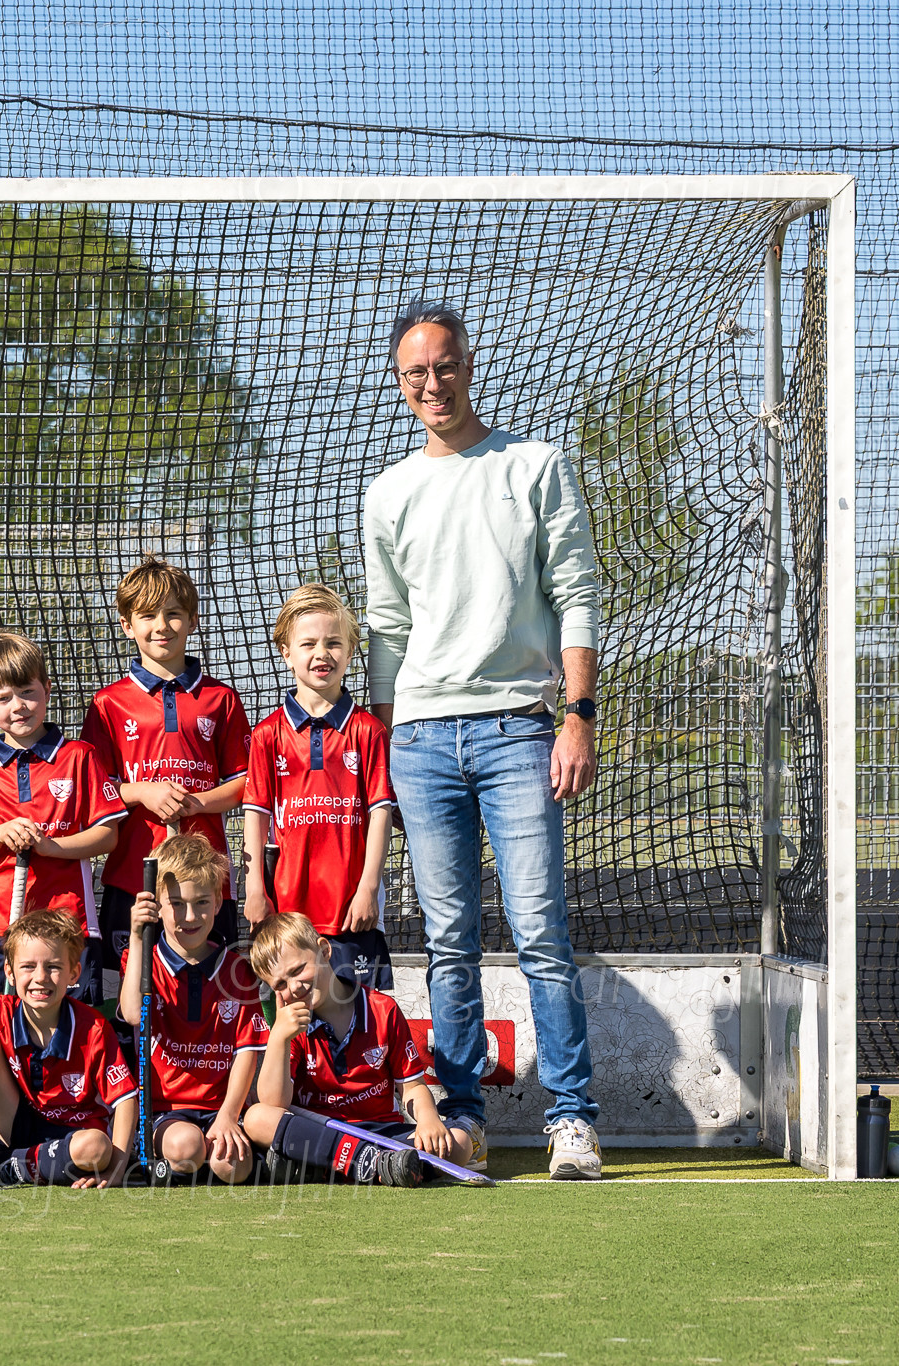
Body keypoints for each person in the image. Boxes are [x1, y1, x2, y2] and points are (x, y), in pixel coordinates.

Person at [362, 300, 605, 1180]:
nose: (432, 383)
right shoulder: (388, 492)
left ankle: (571, 1120)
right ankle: (463, 1118)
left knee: (541, 933)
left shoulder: (534, 465)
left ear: (469, 366)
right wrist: (386, 745)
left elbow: (577, 592)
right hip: (421, 741)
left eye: (445, 365)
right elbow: (387, 628)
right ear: (401, 384)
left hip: (519, 732)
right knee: (449, 943)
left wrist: (578, 713)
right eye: (415, 373)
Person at [81, 556, 252, 1009]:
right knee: (131, 996)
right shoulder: (108, 703)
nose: (162, 626)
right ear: (127, 625)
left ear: (193, 620)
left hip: (205, 878)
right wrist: (142, 792)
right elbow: (94, 790)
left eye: (174, 613)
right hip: (133, 874)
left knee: (209, 995)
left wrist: (197, 803)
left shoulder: (221, 698)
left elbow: (245, 784)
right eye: (147, 615)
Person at [0, 630, 126, 1009]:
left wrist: (49, 846)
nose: (18, 706)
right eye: (3, 698)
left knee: (69, 1028)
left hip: (68, 921)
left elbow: (107, 835)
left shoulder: (79, 756)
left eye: (28, 692)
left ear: (47, 688)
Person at [239, 584, 398, 989]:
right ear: (286, 652)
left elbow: (380, 814)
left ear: (350, 650)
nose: (321, 653)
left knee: (358, 1016)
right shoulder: (267, 733)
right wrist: (254, 888)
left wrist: (369, 887)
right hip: (287, 913)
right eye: (308, 643)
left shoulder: (369, 731)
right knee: (292, 1015)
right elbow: (255, 816)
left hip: (351, 911)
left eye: (334, 643)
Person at [240, 913, 463, 1187]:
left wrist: (428, 1118)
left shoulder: (383, 1010)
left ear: (324, 950)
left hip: (380, 1133)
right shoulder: (288, 1025)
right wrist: (279, 1038)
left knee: (459, 1145)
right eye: (280, 985)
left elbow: (412, 1087)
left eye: (298, 970)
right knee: (256, 1118)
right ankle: (371, 1164)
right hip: (319, 1132)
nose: (295, 987)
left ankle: (329, 1168)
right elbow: (273, 1103)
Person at [0, 911, 138, 1188]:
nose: (40, 977)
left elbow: (125, 1100)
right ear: (9, 972)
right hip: (14, 1124)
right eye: (28, 966)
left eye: (53, 967)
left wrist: (117, 1170)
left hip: (73, 1137)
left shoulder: (93, 1027)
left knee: (96, 1147)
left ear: (74, 973)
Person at [115, 834, 265, 1184]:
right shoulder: (141, 960)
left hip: (222, 1108)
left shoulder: (237, 970)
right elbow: (134, 1014)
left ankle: (195, 1169)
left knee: (232, 1167)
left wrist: (228, 1115)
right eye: (177, 904)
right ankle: (172, 1162)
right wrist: (137, 936)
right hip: (165, 1111)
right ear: (157, 906)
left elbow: (247, 1051)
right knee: (186, 1147)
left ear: (218, 902)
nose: (191, 916)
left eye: (201, 902)